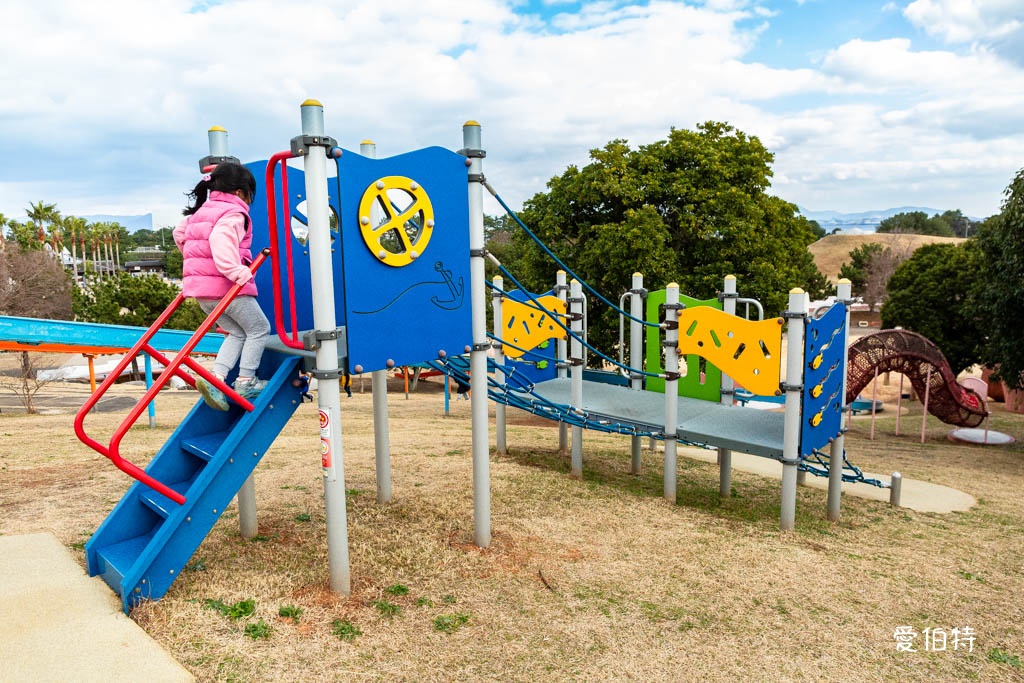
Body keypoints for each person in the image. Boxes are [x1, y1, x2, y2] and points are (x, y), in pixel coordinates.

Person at [174, 163, 270, 411]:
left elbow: (179, 233)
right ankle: (246, 381)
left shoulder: (200, 212)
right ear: (240, 193)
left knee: (238, 333)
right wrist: (238, 272)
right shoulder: (233, 214)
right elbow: (220, 241)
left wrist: (198, 264)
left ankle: (216, 380)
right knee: (260, 328)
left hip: (201, 291)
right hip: (227, 288)